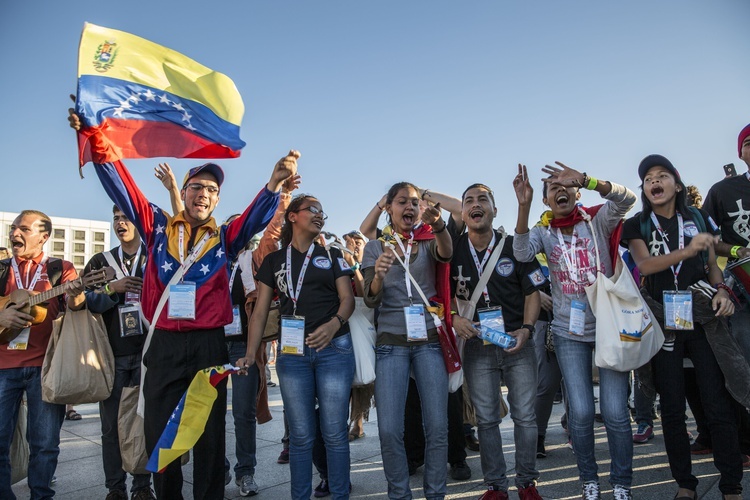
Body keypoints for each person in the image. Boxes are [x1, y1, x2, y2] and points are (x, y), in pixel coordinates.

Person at [71, 96, 297, 500]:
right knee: (162, 434)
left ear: (216, 200)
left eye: (211, 190)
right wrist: (93, 132)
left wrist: (274, 184)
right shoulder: (156, 224)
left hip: (209, 346)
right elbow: (122, 185)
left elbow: (253, 219)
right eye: (197, 187)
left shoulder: (223, 238)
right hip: (164, 345)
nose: (204, 194)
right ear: (185, 190)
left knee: (209, 435)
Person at [513, 162, 637, 500]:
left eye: (566, 184)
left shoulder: (596, 221)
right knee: (580, 412)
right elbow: (520, 251)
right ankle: (589, 481)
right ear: (547, 201)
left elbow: (627, 199)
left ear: (577, 192)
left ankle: (622, 483)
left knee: (614, 411)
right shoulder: (542, 232)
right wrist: (523, 207)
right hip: (568, 332)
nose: (560, 189)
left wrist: (589, 179)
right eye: (552, 187)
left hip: (609, 326)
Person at [622, 154, 742, 499]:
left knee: (717, 402)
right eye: (647, 178)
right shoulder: (638, 224)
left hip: (703, 320)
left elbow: (712, 266)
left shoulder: (698, 217)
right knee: (672, 407)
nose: (654, 182)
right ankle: (685, 485)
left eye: (661, 175)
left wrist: (721, 289)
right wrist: (687, 252)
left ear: (676, 183)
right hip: (664, 322)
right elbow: (644, 266)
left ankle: (731, 483)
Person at [238, 194, 355, 500]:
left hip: (334, 351)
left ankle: (340, 494)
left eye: (322, 212)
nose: (320, 215)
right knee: (301, 437)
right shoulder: (275, 261)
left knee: (334, 433)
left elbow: (348, 299)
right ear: (292, 216)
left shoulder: (332, 255)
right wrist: (251, 354)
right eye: (313, 210)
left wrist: (333, 325)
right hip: (293, 356)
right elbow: (261, 311)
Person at [448, 183, 546, 500]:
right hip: (477, 344)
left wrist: (528, 329)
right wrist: (453, 318)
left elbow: (533, 291)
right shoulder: (451, 249)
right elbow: (440, 295)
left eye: (483, 199)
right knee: (487, 420)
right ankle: (495, 487)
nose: (476, 205)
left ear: (494, 209)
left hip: (518, 341)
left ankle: (527, 483)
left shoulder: (514, 246)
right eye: (468, 201)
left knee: (526, 417)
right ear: (462, 213)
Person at [362, 182, 453, 499]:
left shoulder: (429, 240)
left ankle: (435, 494)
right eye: (402, 202)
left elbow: (447, 251)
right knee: (389, 430)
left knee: (437, 427)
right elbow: (371, 299)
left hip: (429, 341)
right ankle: (399, 494)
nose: (410, 207)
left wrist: (439, 224)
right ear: (389, 208)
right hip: (391, 345)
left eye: (414, 202)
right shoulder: (375, 248)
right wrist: (378, 277)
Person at [0, 210, 86, 499]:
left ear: (44, 236)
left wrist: (76, 293)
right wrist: (2, 318)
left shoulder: (59, 269)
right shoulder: (0, 269)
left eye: (24, 229)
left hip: (46, 366)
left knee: (45, 443)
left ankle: (41, 495)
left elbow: (75, 307)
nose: (15, 234)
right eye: (14, 228)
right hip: (2, 366)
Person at [84, 206, 154, 500]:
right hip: (111, 353)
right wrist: (114, 288)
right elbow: (87, 302)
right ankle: (115, 487)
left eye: (125, 218)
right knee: (111, 426)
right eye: (116, 219)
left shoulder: (153, 257)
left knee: (141, 422)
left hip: (147, 353)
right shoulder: (101, 261)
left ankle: (141, 487)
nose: (120, 223)